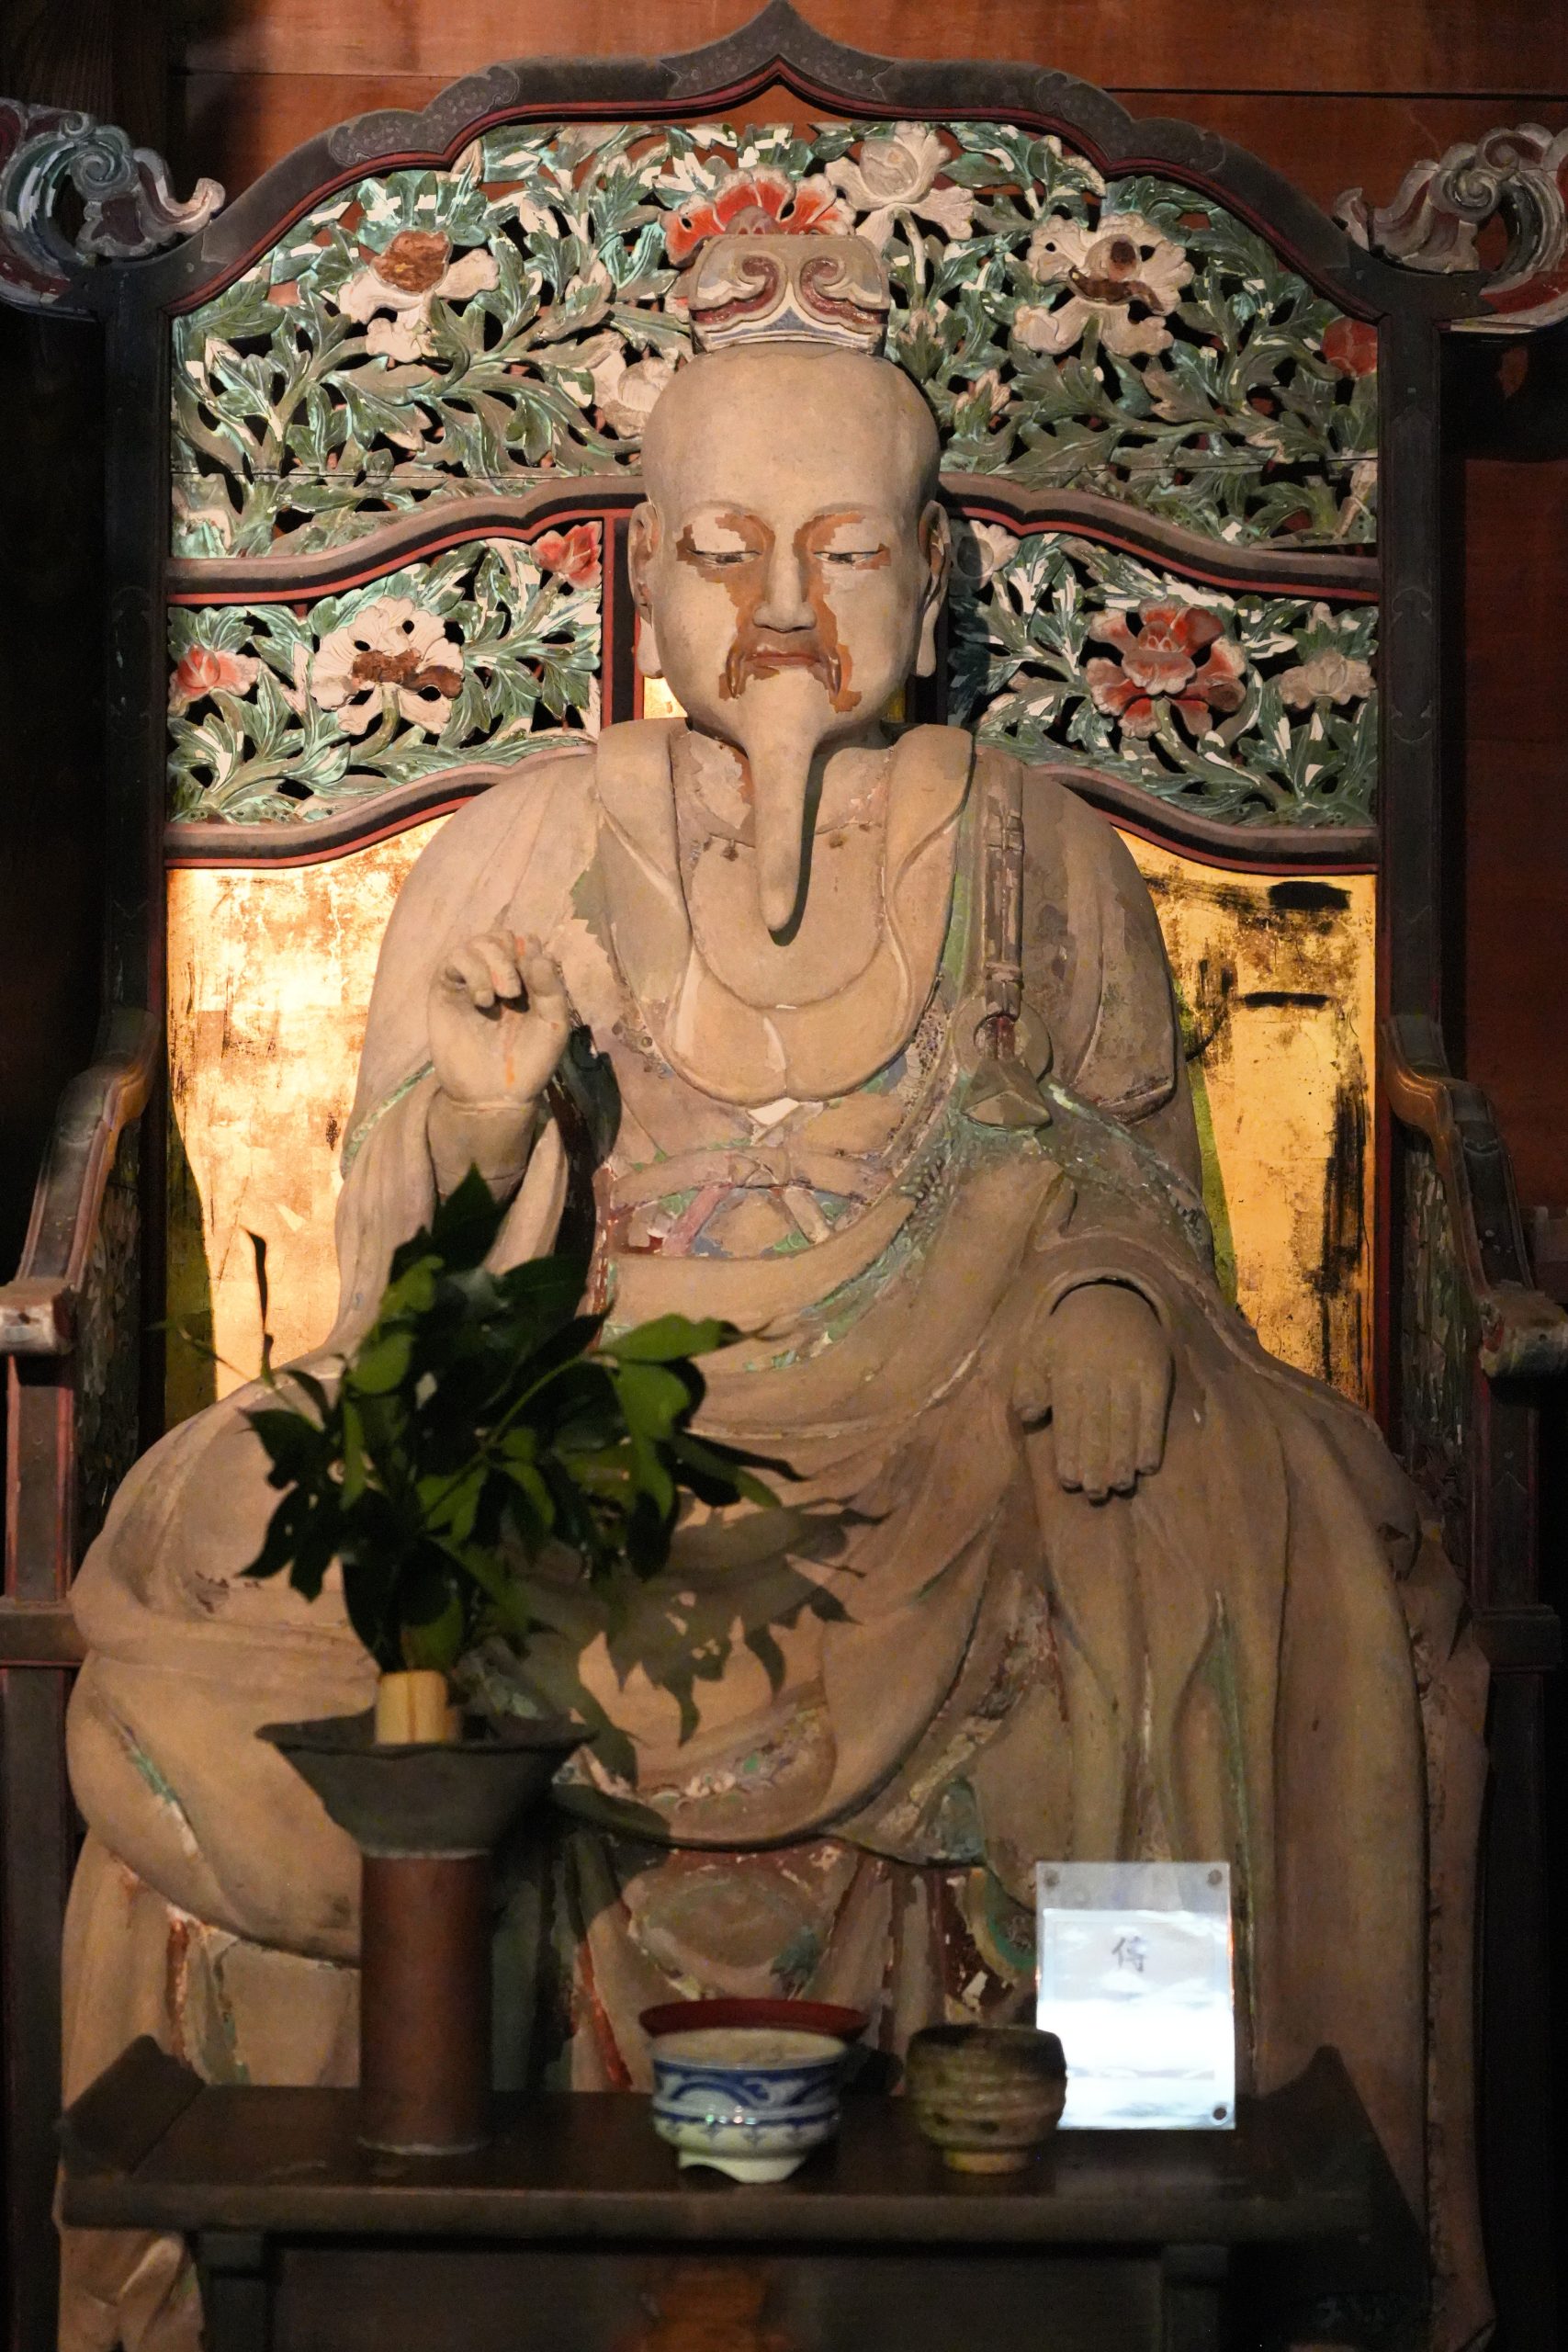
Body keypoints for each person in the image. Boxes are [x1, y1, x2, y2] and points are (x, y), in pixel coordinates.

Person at [61, 230, 1483, 2350]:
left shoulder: (1033, 847)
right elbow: (400, 1293)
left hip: (943, 1427)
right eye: (726, 554)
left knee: (1241, 1494)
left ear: (935, 576)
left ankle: (1159, 2183)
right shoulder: (518, 842)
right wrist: (489, 1128)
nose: (788, 613)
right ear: (646, 576)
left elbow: (1123, 1174)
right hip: (588, 1434)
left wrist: (1109, 1290)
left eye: (845, 552)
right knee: (219, 1523)